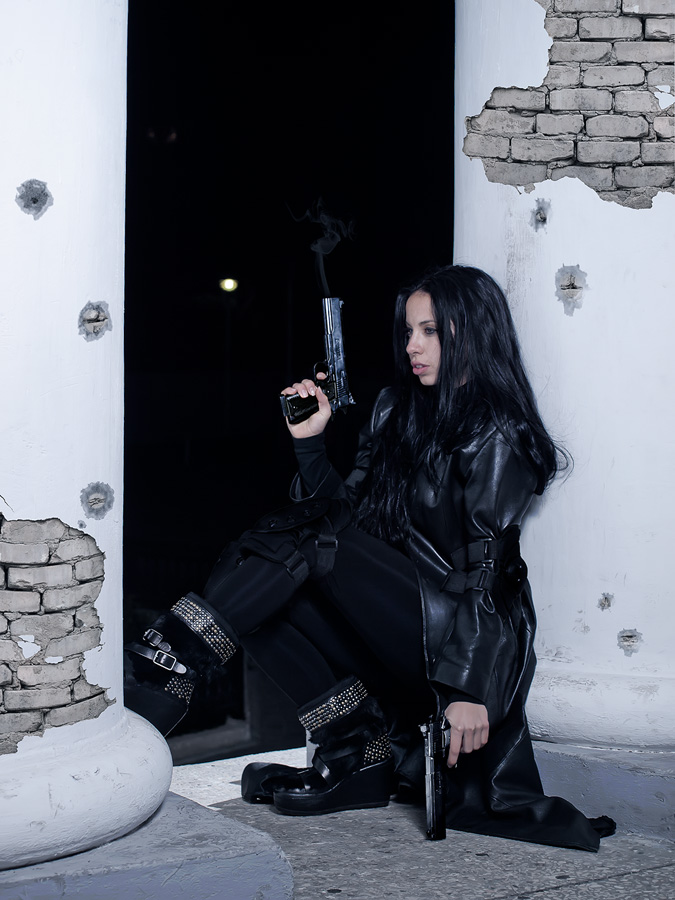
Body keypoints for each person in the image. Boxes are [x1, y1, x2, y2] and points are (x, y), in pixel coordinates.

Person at [125, 264, 614, 849]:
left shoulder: (497, 434)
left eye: (430, 331)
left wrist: (468, 689)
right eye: (408, 332)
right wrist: (311, 444)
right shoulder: (395, 410)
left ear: (473, 332)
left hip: (458, 634)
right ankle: (354, 753)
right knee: (261, 595)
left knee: (295, 549)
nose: (412, 347)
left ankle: (164, 672)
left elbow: (487, 573)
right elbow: (343, 517)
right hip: (399, 614)